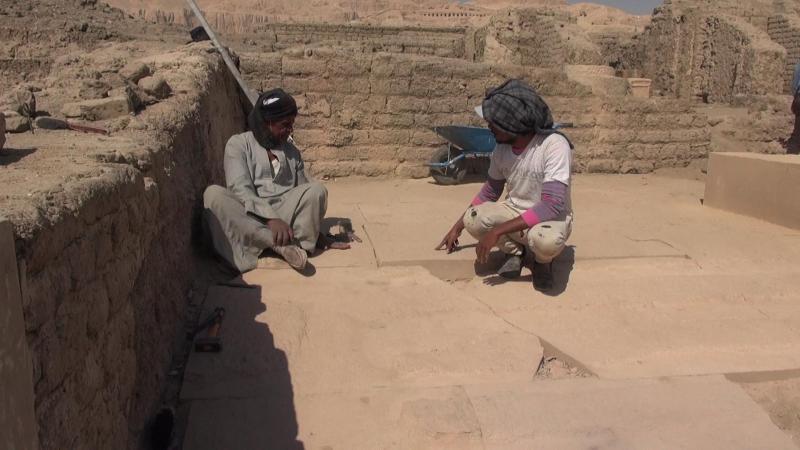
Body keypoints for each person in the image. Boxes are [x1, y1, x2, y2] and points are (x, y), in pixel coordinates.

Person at [436, 79, 573, 292]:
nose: (489, 127)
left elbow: (551, 205)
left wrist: (498, 231)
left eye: (494, 122)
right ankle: (515, 253)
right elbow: (490, 191)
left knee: (546, 241)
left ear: (512, 123)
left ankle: (542, 263)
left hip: (549, 219)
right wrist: (457, 227)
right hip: (515, 211)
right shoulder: (501, 150)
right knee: (473, 218)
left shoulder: (554, 145)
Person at [203, 88, 349, 273]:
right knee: (213, 195)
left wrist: (318, 234)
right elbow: (239, 188)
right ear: (268, 122)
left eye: (292, 124)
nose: (290, 130)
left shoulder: (292, 152)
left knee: (317, 190)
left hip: (284, 215)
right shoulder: (238, 144)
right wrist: (270, 219)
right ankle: (277, 245)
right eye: (285, 124)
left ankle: (275, 245)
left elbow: (304, 191)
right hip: (250, 214)